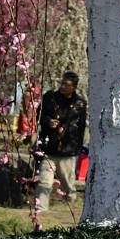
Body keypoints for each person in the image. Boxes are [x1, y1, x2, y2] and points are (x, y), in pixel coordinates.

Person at [34, 69, 86, 221]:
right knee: (44, 180)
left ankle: (71, 206)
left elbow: (81, 127)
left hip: (67, 151)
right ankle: (40, 209)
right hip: (49, 148)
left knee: (68, 184)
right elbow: (39, 115)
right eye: (62, 83)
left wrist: (78, 148)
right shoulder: (50, 98)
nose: (62, 87)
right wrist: (48, 121)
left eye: (66, 85)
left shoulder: (79, 103)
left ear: (74, 87)